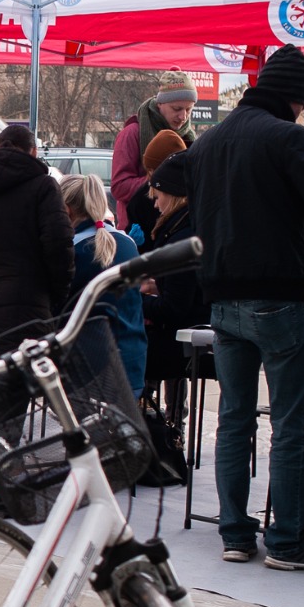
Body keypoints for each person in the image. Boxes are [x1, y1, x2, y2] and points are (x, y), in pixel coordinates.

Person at [189, 44, 304, 570]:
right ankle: (288, 543)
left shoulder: (211, 139)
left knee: (234, 420)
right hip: (278, 297)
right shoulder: (288, 135)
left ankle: (235, 535)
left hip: (221, 297)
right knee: (290, 423)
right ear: (295, 99)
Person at [0, 123, 72, 352]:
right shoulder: (43, 188)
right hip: (28, 317)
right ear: (33, 152)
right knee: (23, 386)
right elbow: (59, 247)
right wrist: (55, 297)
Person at [62, 173, 145, 392]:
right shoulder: (127, 243)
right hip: (131, 362)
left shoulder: (71, 250)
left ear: (67, 210)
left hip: (86, 369)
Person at [138, 143, 205, 410]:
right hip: (189, 336)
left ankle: (145, 426)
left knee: (120, 351)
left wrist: (135, 299)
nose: (155, 205)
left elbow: (174, 308)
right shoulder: (184, 227)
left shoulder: (181, 238)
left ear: (175, 194)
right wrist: (155, 287)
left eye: (158, 196)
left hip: (187, 344)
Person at [110, 70, 199, 236]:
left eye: (189, 109)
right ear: (160, 103)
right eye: (177, 108)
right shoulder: (132, 133)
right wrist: (162, 181)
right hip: (138, 229)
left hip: (175, 225)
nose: (183, 116)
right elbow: (118, 186)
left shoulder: (189, 137)